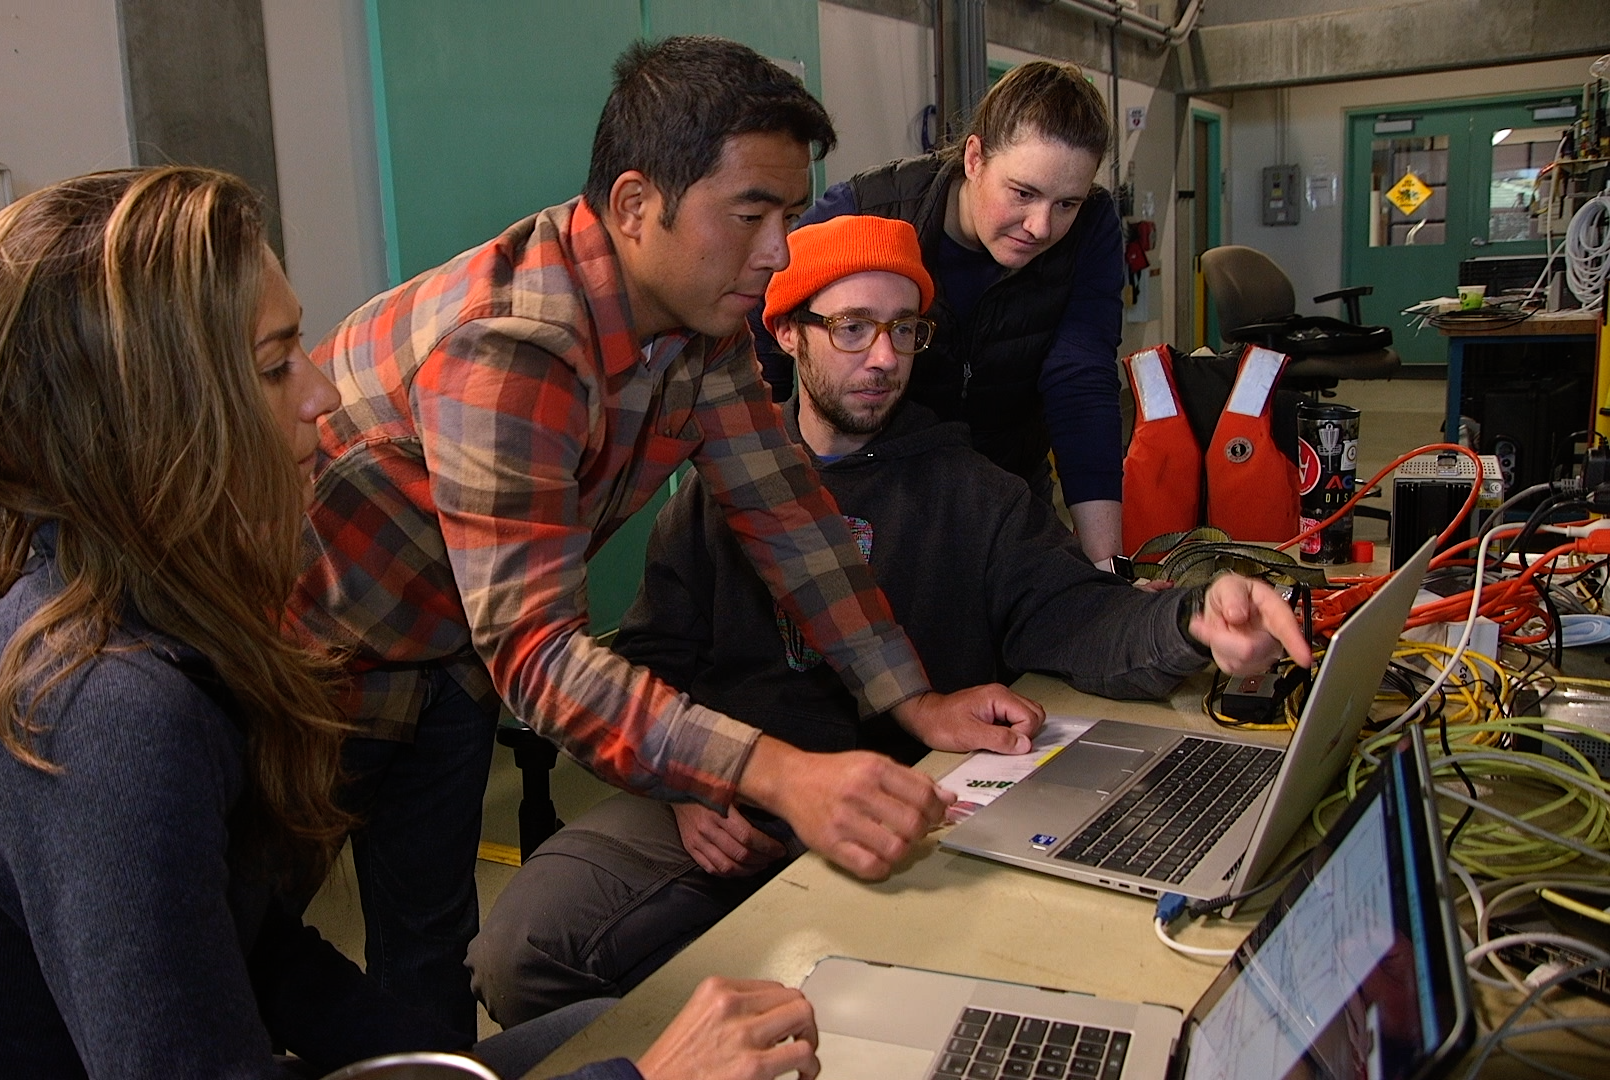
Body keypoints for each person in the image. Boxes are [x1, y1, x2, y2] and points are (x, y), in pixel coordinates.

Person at [0, 166, 828, 1080]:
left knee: (601, 1025)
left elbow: (256, 948)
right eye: (278, 366)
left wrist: (452, 1069)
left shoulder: (148, 624)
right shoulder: (103, 714)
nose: (323, 393)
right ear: (157, 420)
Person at [294, 36, 1039, 1038]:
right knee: (239, 946)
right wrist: (780, 773)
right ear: (637, 204)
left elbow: (788, 515)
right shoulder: (513, 344)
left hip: (444, 651)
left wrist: (915, 701)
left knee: (425, 958)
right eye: (751, 214)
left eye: (789, 216)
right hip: (304, 668)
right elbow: (537, 654)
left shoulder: (703, 330)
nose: (778, 252)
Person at [469, 214, 1312, 1027]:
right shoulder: (715, 491)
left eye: (905, 330)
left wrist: (1195, 618)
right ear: (787, 333)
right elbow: (652, 657)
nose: (884, 358)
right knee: (521, 952)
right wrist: (687, 785)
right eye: (853, 328)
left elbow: (1078, 616)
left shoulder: (973, 493)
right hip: (724, 797)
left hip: (897, 806)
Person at [754, 60, 1128, 565]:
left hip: (1011, 497)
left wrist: (1107, 566)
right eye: (1023, 193)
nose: (1041, 226)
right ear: (974, 158)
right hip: (881, 498)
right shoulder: (870, 210)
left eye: (1067, 204)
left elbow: (1080, 381)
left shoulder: (1091, 228)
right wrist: (766, 497)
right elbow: (763, 338)